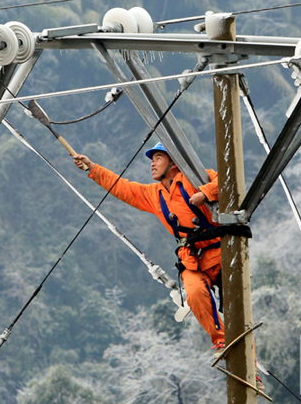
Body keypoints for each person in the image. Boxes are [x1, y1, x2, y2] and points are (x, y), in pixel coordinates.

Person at [73, 143, 226, 351]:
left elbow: (229, 182)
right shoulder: (156, 195)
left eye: (158, 159)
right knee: (195, 292)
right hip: (192, 259)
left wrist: (206, 193)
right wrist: (93, 168)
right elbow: (123, 188)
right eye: (152, 160)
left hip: (222, 252)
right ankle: (221, 341)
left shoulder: (196, 177)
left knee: (236, 307)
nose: (152, 164)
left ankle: (250, 369)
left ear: (173, 163)